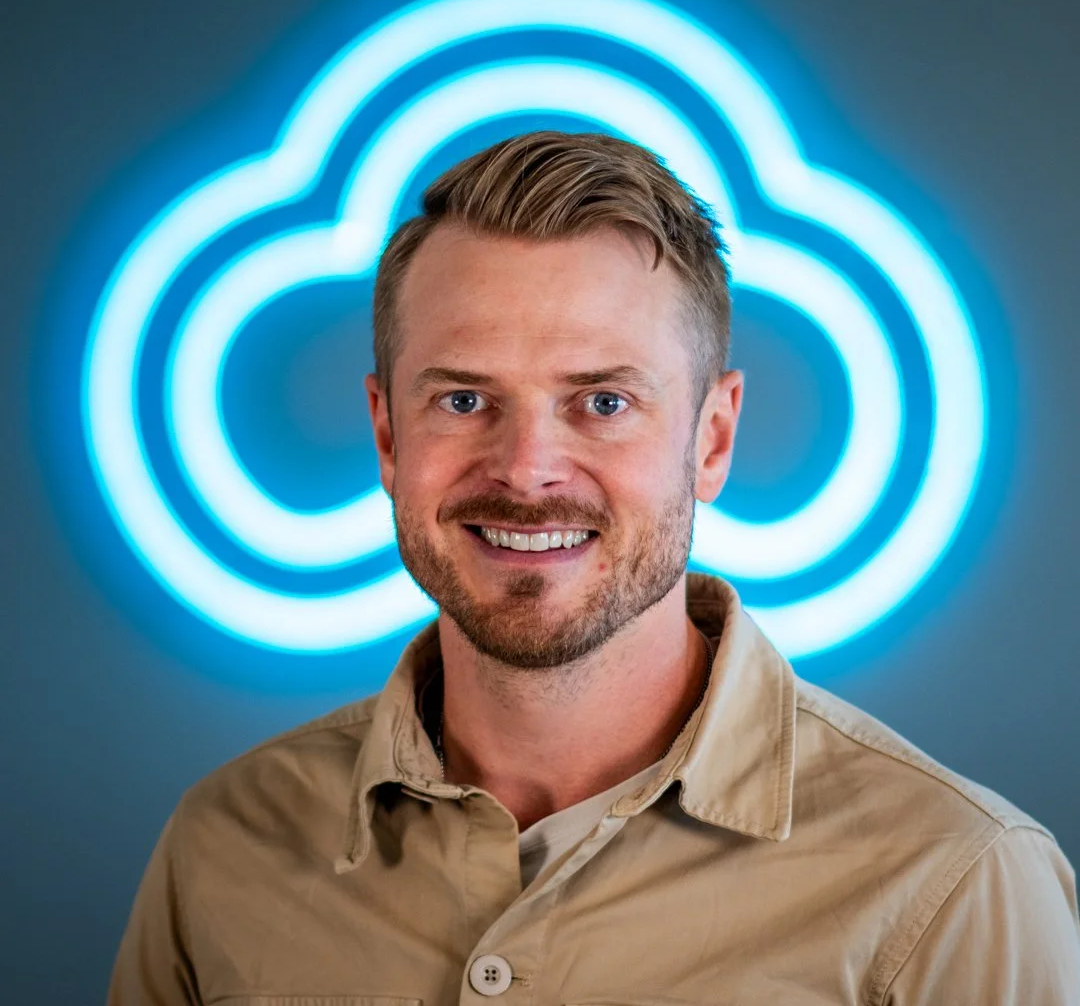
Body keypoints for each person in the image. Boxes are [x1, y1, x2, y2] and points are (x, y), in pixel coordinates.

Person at [109, 130, 1080, 1004]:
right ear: (385, 433)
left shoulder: (957, 884)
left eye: (603, 403)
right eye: (462, 401)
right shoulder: (223, 849)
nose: (527, 470)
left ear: (714, 436)